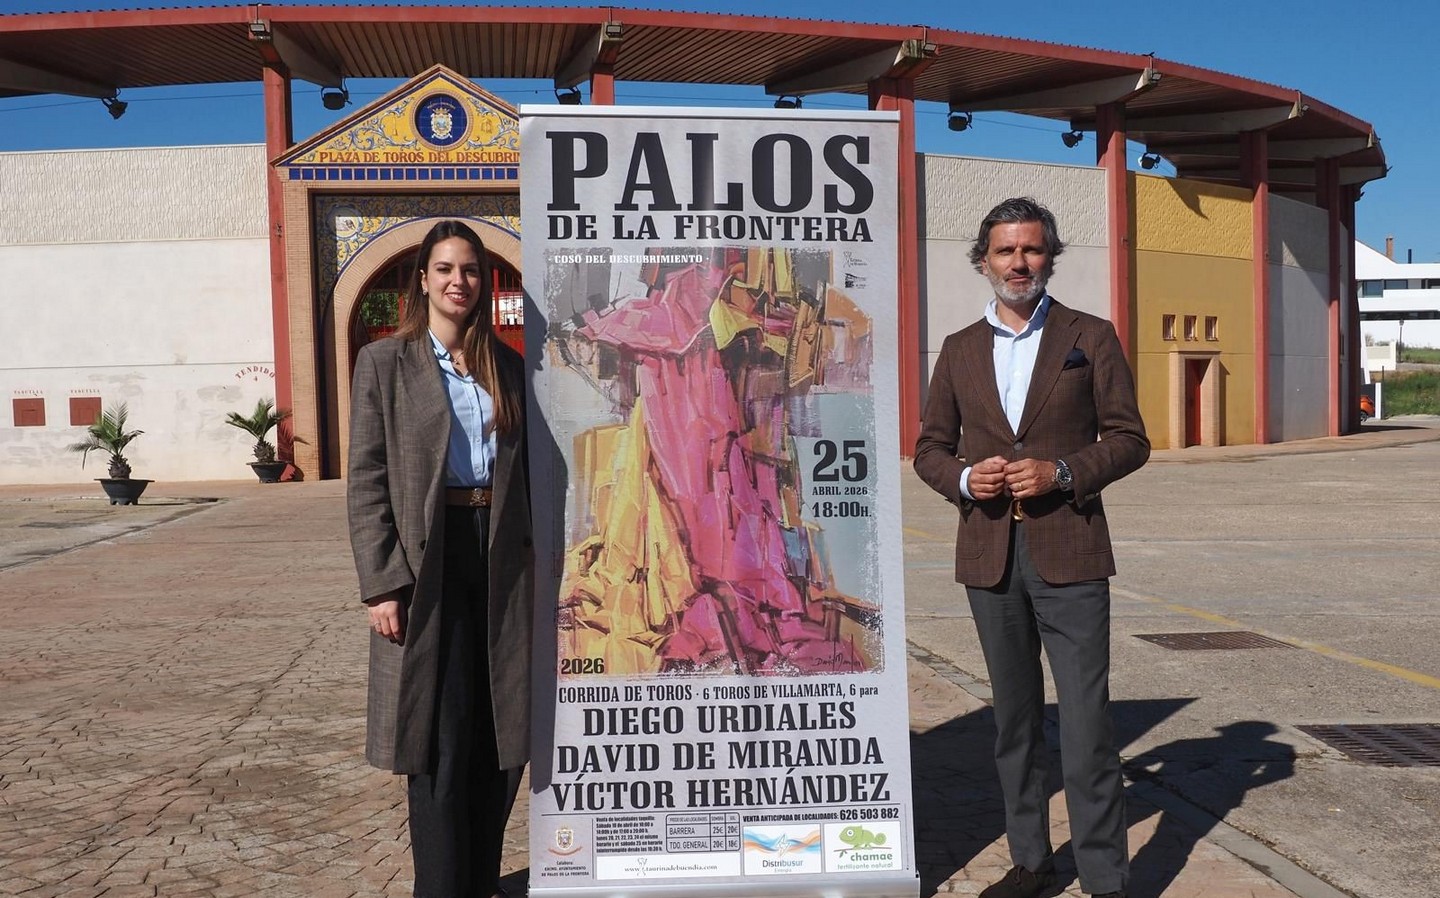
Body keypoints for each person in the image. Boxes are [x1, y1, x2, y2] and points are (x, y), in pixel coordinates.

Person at [914, 197, 1149, 898]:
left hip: (1070, 551)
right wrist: (963, 477)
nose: (1019, 263)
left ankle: (1106, 877)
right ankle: (1030, 861)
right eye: (1006, 251)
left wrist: (1065, 472)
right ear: (983, 260)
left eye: (1033, 250)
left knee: (1085, 726)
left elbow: (1130, 439)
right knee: (1013, 722)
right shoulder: (958, 349)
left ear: (1051, 257)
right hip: (988, 557)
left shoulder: (1090, 336)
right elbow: (929, 449)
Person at [347, 219, 531, 898]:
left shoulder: (507, 367)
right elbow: (366, 480)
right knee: (440, 737)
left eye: (473, 271)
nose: (460, 282)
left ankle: (479, 879)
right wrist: (381, 584)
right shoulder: (384, 365)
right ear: (422, 279)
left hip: (501, 557)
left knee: (500, 735)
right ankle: (443, 886)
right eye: (447, 269)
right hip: (431, 565)